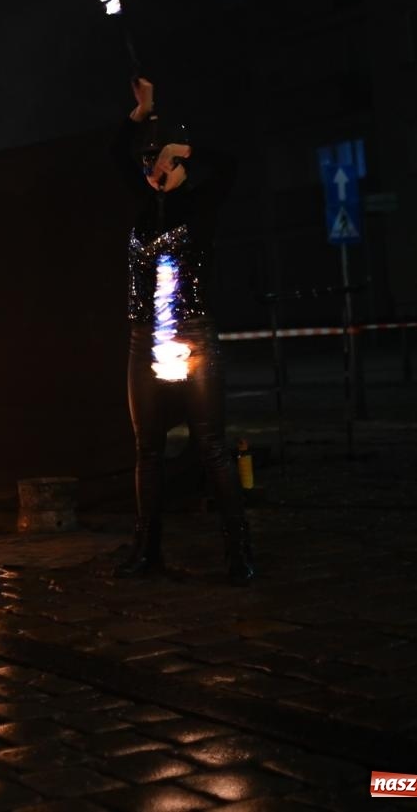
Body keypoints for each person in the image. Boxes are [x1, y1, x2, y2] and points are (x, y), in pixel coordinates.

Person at [112, 77, 255, 586]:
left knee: (210, 444)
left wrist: (184, 146)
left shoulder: (202, 207)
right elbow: (111, 154)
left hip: (192, 335)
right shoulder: (142, 209)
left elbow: (232, 163)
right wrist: (141, 110)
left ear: (182, 165)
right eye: (150, 162)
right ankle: (145, 550)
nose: (154, 169)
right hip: (143, 339)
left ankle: (238, 553)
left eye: (164, 161)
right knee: (146, 448)